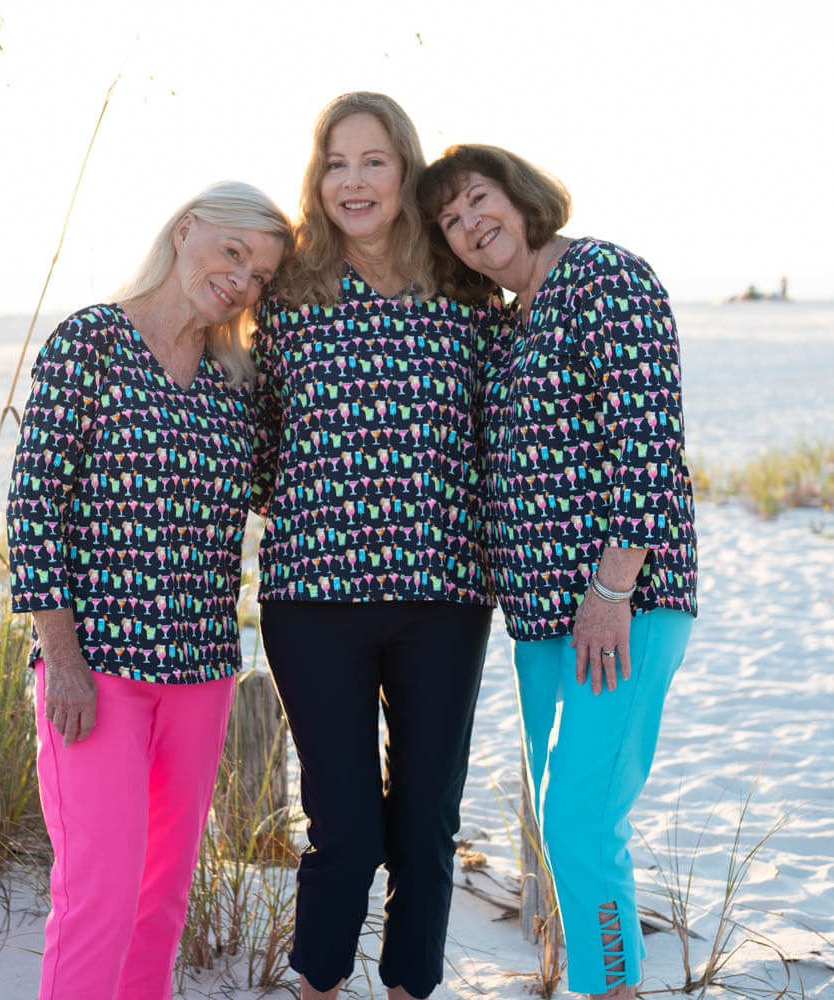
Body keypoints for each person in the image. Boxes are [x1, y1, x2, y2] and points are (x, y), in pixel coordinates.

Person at [417, 145, 697, 1000]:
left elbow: (648, 447)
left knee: (579, 819)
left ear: (520, 193)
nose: (471, 227)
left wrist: (610, 593)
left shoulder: (606, 277)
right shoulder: (511, 322)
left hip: (621, 605)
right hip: (540, 621)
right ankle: (604, 984)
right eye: (452, 223)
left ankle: (613, 989)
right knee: (562, 820)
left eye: (478, 200)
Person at [6, 180, 291, 1000]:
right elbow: (34, 513)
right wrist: (61, 658)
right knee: (98, 890)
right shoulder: (89, 342)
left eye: (262, 275)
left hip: (201, 671)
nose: (241, 281)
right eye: (234, 252)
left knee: (162, 897)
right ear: (187, 229)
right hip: (95, 670)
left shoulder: (237, 379)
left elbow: (282, 488)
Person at [252, 93, 495, 1000]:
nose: (352, 181)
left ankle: (408, 988)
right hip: (314, 600)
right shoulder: (288, 296)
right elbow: (260, 439)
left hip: (445, 598)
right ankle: (316, 982)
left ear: (406, 171)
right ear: (318, 179)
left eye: (374, 161)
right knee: (344, 823)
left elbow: (497, 431)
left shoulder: (467, 292)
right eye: (335, 162)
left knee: (427, 818)